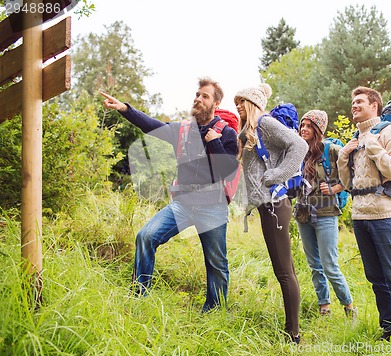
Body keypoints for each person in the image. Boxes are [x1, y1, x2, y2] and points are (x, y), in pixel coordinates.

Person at [100, 77, 239, 313]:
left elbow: (227, 170)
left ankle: (215, 311)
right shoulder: (182, 129)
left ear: (215, 103)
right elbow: (151, 125)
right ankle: (139, 296)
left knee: (217, 263)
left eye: (205, 96)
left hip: (212, 207)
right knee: (146, 236)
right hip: (183, 203)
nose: (198, 99)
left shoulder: (226, 134)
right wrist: (125, 109)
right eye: (197, 94)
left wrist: (214, 143)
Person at [337, 86, 391, 341]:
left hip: (386, 215)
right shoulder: (355, 138)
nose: (354, 105)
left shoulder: (389, 132)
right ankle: (389, 327)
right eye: (353, 102)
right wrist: (343, 156)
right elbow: (348, 184)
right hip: (361, 217)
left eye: (359, 101)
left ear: (374, 105)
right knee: (375, 277)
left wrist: (373, 146)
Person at [234, 83, 308, 344]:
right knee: (285, 269)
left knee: (284, 271)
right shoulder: (251, 131)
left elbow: (299, 146)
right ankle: (293, 329)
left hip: (275, 205)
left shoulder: (265, 122)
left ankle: (293, 336)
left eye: (242, 101)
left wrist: (277, 174)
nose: (238, 106)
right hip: (270, 206)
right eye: (236, 102)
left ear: (253, 103)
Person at [293, 110, 357, 318]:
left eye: (309, 126)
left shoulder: (331, 150)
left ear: (318, 129)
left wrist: (337, 188)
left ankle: (349, 307)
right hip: (303, 214)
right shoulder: (299, 151)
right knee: (314, 265)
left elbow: (356, 171)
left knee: (329, 265)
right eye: (303, 125)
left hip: (326, 214)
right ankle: (324, 307)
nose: (304, 129)